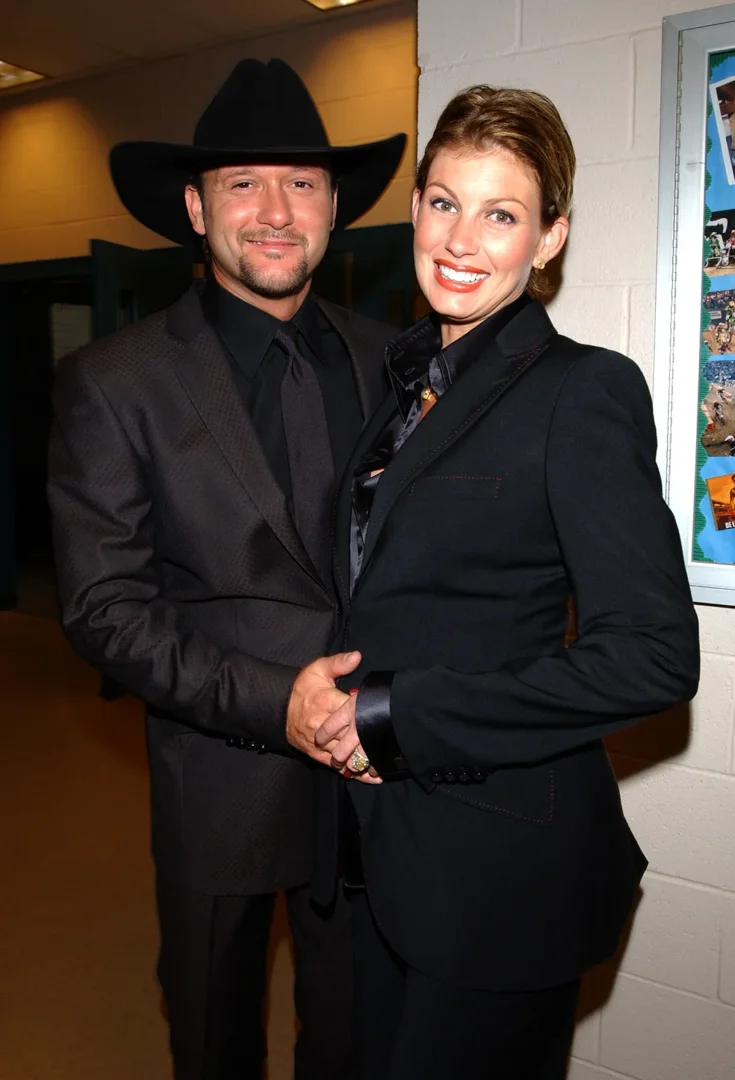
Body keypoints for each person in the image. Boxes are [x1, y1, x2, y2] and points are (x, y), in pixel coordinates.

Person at [288, 85, 700, 1079]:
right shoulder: (405, 388)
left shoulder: (582, 391)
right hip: (367, 848)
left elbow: (653, 658)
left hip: (492, 874)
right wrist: (312, 686)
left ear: (549, 238)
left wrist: (399, 714)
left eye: (501, 213)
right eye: (442, 201)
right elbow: (386, 591)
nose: (461, 239)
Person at [47, 58, 405, 1080]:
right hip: (220, 773)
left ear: (335, 205)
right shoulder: (116, 384)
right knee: (214, 1032)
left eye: (301, 182)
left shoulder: (400, 362)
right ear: (196, 209)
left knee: (358, 1028)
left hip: (379, 772)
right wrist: (273, 703)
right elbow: (106, 607)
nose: (276, 211)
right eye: (244, 183)